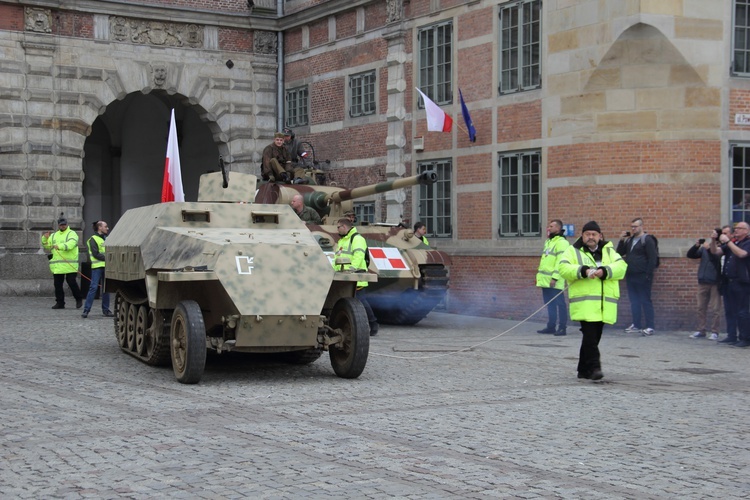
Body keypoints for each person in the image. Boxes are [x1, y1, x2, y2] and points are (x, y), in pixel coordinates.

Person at [558, 221, 627, 380]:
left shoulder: (609, 251)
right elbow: (563, 268)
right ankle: (595, 368)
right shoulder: (573, 250)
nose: (591, 237)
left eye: (594, 234)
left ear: (600, 236)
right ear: (582, 236)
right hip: (585, 304)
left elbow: (622, 267)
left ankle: (583, 370)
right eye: (587, 234)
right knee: (590, 336)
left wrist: (605, 271)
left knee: (594, 338)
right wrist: (583, 270)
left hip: (603, 305)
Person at [333, 218, 379, 335]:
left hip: (354, 276)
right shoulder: (343, 240)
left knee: (360, 301)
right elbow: (337, 259)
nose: (337, 230)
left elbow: (358, 255)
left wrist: (351, 269)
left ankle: (373, 324)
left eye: (338, 227)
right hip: (343, 276)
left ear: (344, 226)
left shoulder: (357, 239)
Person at [616, 217, 658, 336]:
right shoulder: (629, 240)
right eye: (632, 227)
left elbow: (652, 258)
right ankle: (636, 324)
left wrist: (648, 274)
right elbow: (619, 253)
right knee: (634, 301)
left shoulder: (647, 240)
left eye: (635, 226)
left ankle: (650, 326)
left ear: (641, 226)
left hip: (643, 275)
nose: (633, 229)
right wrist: (621, 240)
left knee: (645, 300)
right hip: (631, 274)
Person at [711, 221, 750, 346]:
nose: (736, 230)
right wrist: (713, 240)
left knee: (742, 311)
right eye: (736, 228)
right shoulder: (733, 243)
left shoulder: (747, 243)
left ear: (746, 231)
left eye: (739, 228)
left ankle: (745, 338)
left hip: (742, 282)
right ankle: (731, 335)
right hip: (729, 282)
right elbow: (715, 252)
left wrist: (727, 241)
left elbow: (742, 254)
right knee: (730, 310)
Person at [535, 219, 570, 336]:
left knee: (560, 304)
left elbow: (561, 262)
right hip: (546, 280)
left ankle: (562, 327)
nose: (548, 228)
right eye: (548, 226)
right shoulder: (549, 242)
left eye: (551, 226)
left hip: (555, 280)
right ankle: (551, 326)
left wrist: (554, 278)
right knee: (549, 304)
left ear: (558, 228)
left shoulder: (562, 242)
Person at [41, 217, 83, 309]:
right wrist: (44, 238)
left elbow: (71, 244)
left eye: (64, 224)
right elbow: (48, 247)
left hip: (69, 264)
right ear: (58, 225)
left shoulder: (72, 234)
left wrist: (59, 246)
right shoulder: (54, 235)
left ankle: (78, 298)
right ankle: (60, 302)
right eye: (61, 224)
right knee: (57, 285)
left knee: (71, 282)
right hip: (58, 265)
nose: (63, 226)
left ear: (67, 224)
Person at [686, 233, 722, 340]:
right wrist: (696, 245)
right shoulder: (704, 250)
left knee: (716, 308)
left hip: (715, 282)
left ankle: (715, 331)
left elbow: (716, 259)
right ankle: (701, 330)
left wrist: (709, 249)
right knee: (700, 308)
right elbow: (691, 255)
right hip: (703, 281)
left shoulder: (721, 249)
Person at [82, 220, 113, 318]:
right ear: (100, 227)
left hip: (106, 266)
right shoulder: (93, 239)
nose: (107, 228)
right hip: (97, 267)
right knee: (93, 288)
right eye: (105, 226)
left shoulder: (107, 238)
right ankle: (86, 310)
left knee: (106, 289)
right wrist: (109, 258)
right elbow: (95, 254)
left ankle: (106, 310)